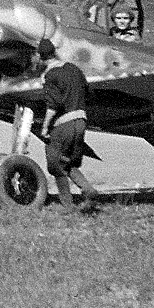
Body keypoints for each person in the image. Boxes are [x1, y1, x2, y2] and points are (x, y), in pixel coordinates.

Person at [37, 38, 102, 214]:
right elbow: (88, 92)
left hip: (63, 124)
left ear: (40, 57)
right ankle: (88, 189)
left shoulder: (50, 75)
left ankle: (67, 205)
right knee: (69, 161)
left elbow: (53, 105)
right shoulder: (74, 69)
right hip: (81, 121)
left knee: (55, 164)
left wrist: (44, 127)